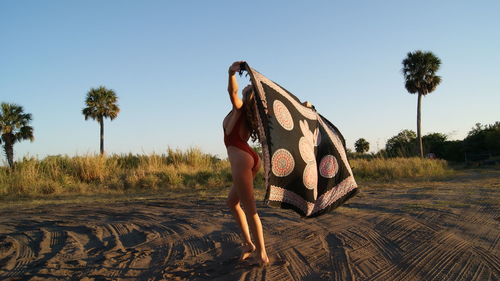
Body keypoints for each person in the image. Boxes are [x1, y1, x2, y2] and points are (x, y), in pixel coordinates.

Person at [223, 61, 270, 266]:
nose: (245, 85)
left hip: (242, 158)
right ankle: (248, 244)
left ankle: (262, 254)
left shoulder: (240, 109)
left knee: (250, 209)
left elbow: (231, 92)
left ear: (248, 96)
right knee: (232, 203)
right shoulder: (251, 115)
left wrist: (231, 73)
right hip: (250, 157)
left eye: (248, 87)